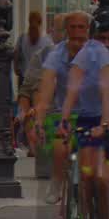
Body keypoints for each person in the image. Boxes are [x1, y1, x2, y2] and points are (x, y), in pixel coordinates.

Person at [60, 15, 109, 219]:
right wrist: (63, 120)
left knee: (101, 178)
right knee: (84, 179)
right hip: (84, 121)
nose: (104, 44)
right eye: (100, 38)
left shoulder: (106, 61)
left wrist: (106, 124)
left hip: (101, 123)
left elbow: (108, 95)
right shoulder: (84, 57)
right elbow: (71, 92)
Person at [33, 11, 91, 204]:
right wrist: (39, 120)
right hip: (64, 114)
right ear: (66, 30)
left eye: (81, 27)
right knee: (59, 148)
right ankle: (56, 183)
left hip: (91, 113)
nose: (77, 32)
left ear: (88, 30)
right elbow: (46, 89)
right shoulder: (56, 54)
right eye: (72, 27)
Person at [14, 11, 54, 153]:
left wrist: (18, 71)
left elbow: (16, 56)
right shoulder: (47, 41)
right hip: (41, 80)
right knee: (38, 111)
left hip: (25, 78)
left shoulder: (22, 38)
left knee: (26, 112)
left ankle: (30, 143)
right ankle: (36, 144)